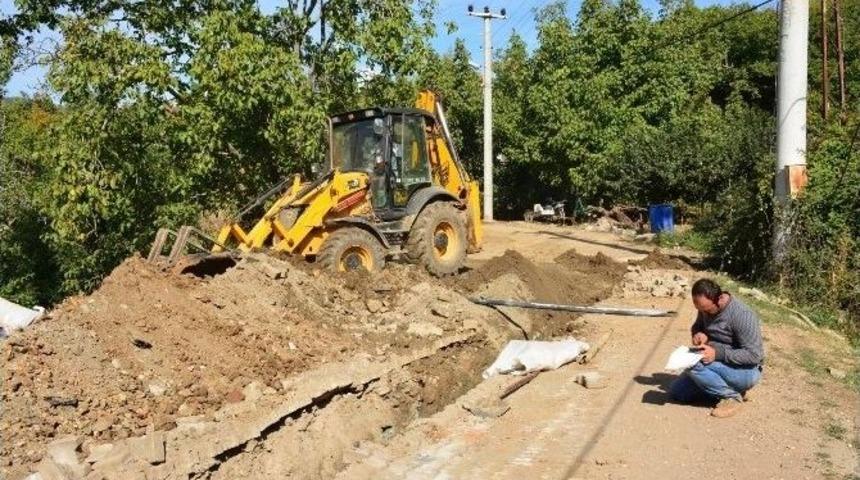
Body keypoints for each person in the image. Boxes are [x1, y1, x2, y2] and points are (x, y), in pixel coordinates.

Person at [669, 278, 764, 418]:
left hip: (746, 371)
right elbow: (698, 326)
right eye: (700, 310)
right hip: (717, 364)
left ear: (719, 299)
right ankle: (727, 388)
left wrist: (717, 353)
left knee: (693, 365)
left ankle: (732, 397)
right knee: (678, 392)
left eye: (706, 310)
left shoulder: (742, 315)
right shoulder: (705, 307)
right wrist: (698, 333)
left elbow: (754, 356)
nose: (704, 313)